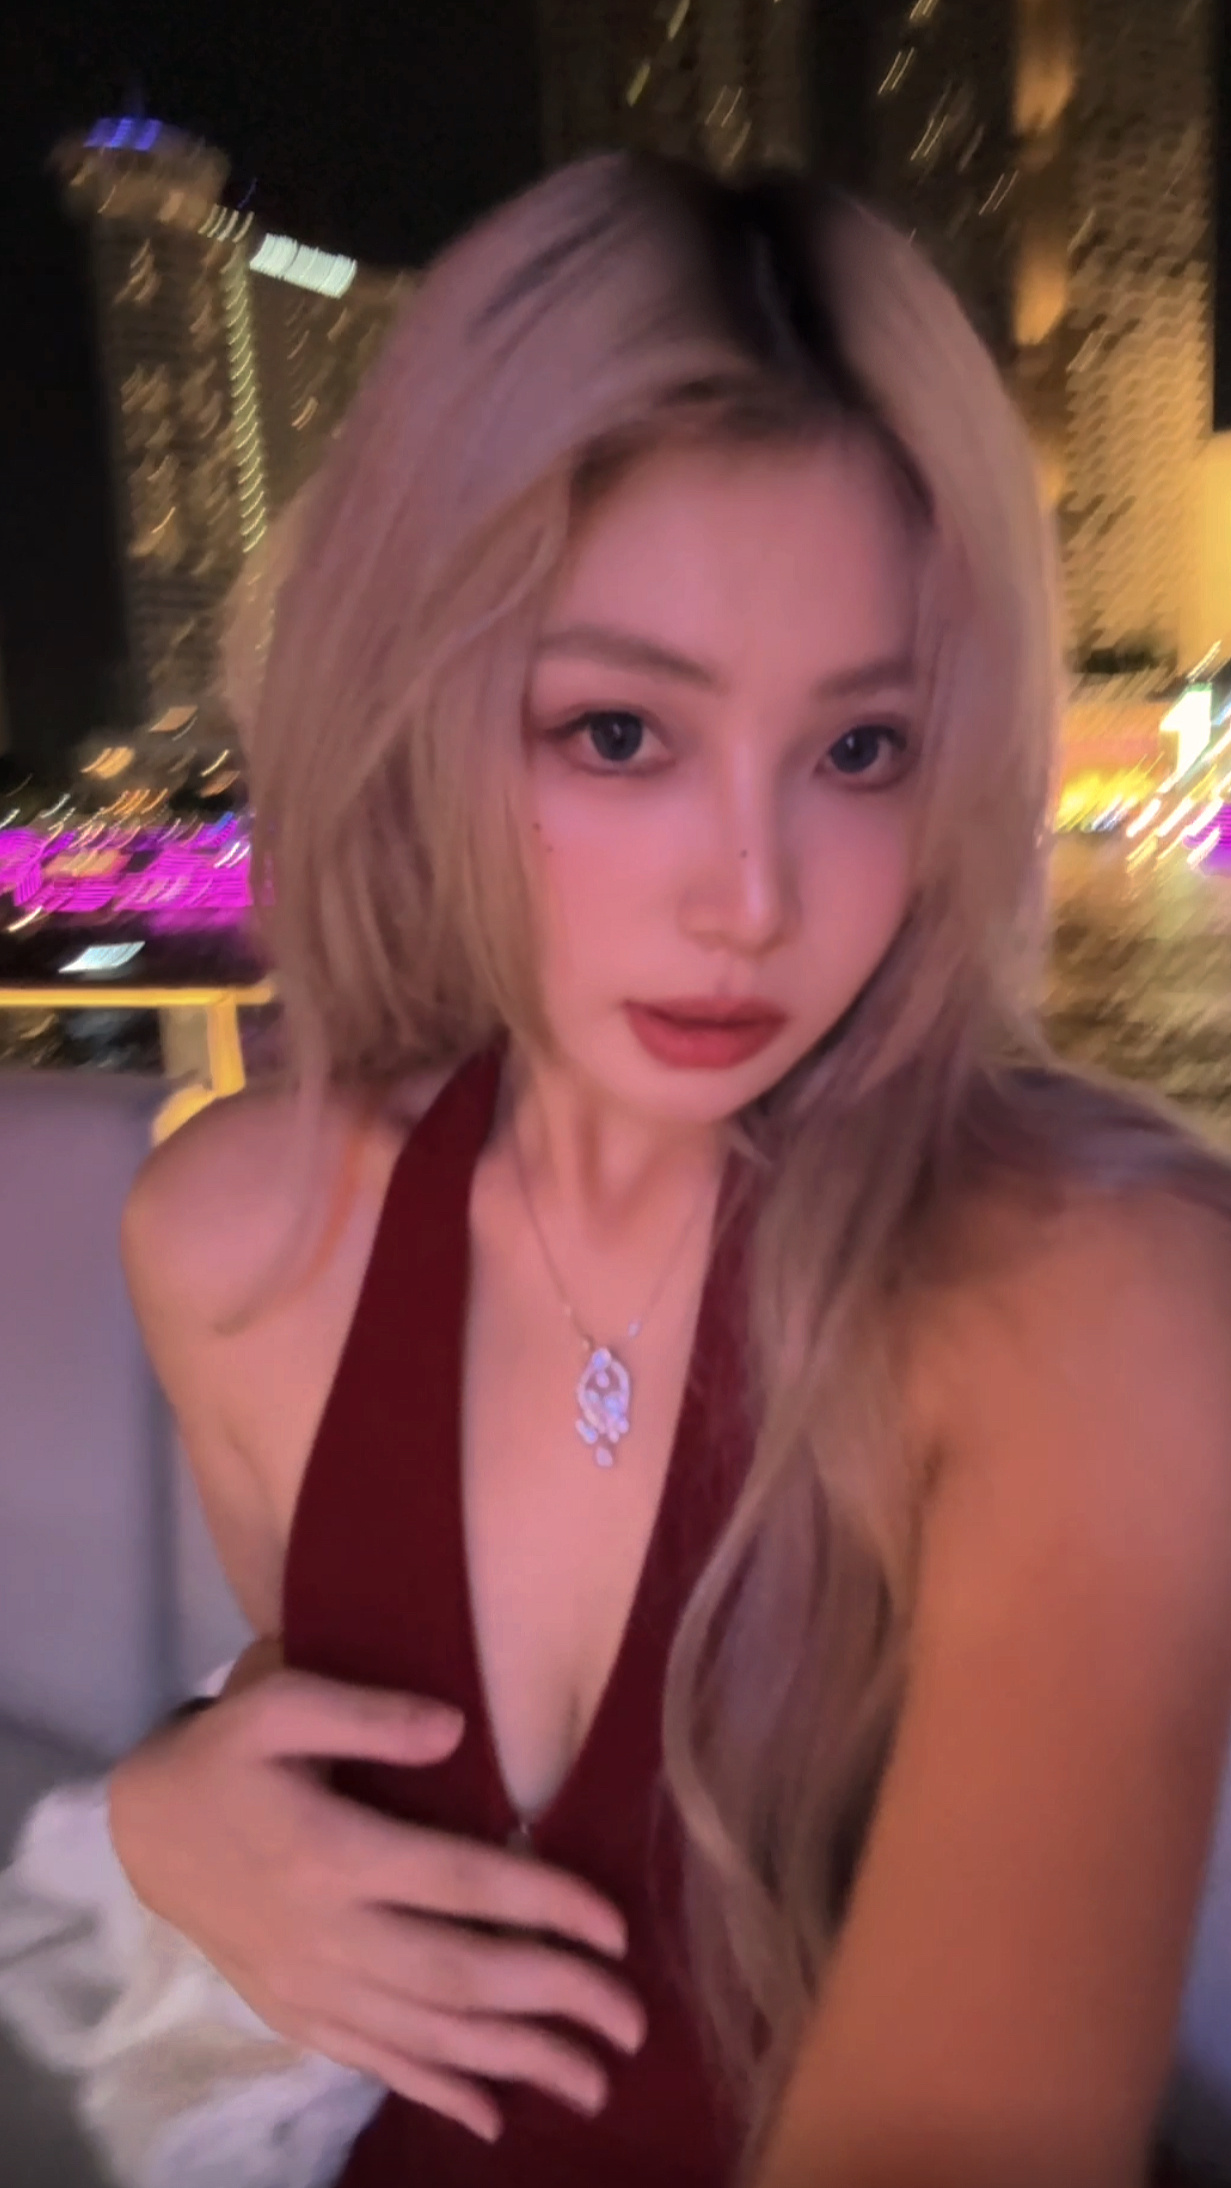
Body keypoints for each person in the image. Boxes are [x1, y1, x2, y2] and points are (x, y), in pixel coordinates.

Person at [106, 152, 1231, 2188]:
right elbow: (355, 1714)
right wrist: (168, 1813)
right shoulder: (236, 1243)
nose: (751, 898)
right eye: (621, 732)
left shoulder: (1092, 1302)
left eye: (861, 749)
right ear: (419, 707)